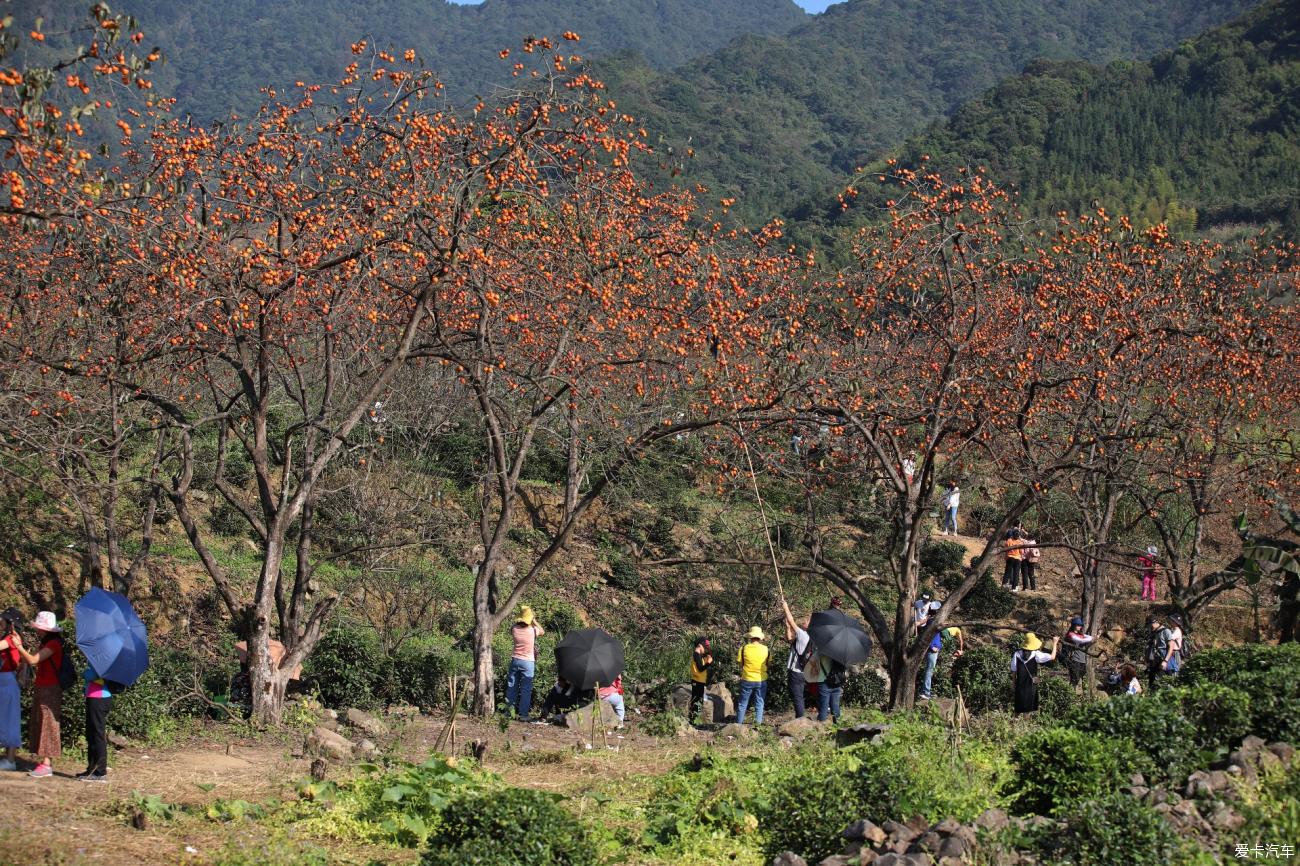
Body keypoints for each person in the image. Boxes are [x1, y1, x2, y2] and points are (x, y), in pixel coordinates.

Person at [13, 611, 64, 777]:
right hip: (43, 686)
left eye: (40, 628)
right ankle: (45, 761)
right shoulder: (46, 643)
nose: (38, 631)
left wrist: (19, 646)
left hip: (50, 687)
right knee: (41, 721)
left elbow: (34, 660)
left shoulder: (54, 644)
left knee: (48, 723)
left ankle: (47, 763)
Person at [504, 606, 544, 721]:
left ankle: (508, 712)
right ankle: (523, 714)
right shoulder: (532, 630)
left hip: (515, 659)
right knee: (526, 689)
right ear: (529, 619)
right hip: (528, 662)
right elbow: (542, 631)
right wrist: (534, 621)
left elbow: (513, 626)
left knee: (512, 686)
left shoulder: (514, 629)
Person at [1010, 632, 1058, 714]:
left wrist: (1013, 683)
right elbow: (1052, 657)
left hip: (1020, 684)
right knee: (1029, 706)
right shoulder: (1036, 654)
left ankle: (1016, 723)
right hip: (1031, 684)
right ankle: (1026, 723)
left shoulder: (1017, 654)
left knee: (1019, 706)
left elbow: (1014, 670)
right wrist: (1055, 643)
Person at [781, 599, 814, 719]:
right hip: (803, 671)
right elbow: (789, 640)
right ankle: (800, 718)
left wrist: (785, 607)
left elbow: (791, 619)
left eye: (806, 621)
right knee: (798, 696)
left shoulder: (803, 635)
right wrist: (787, 628)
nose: (804, 622)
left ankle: (800, 720)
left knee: (797, 697)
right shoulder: (809, 638)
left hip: (796, 672)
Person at [80, 665, 114, 781]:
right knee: (91, 734)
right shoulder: (98, 658)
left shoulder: (102, 660)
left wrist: (84, 673)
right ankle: (92, 769)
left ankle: (100, 772)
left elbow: (93, 675)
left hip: (99, 698)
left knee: (97, 734)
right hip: (95, 698)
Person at [0, 608, 23, 771]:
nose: (0, 622)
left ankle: (10, 760)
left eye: (2, 619)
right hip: (4, 681)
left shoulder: (11, 638)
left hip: (7, 681)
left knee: (10, 719)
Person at [735, 626, 769, 726]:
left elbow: (740, 664)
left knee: (742, 703)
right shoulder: (765, 649)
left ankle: (738, 726)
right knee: (759, 703)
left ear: (750, 637)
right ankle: (757, 726)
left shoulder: (743, 649)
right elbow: (768, 663)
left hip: (747, 679)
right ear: (760, 638)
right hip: (761, 679)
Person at [918, 601, 944, 700]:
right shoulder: (931, 622)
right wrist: (932, 646)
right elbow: (928, 636)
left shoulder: (932, 621)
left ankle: (926, 691)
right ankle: (925, 692)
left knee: (929, 671)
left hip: (935, 649)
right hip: (932, 650)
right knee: (929, 671)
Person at [1062, 616, 1096, 687]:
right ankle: (1070, 694)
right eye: (1078, 625)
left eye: (1080, 625)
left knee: (1079, 678)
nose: (1079, 627)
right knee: (1074, 679)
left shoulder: (1080, 635)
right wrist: (1087, 638)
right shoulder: (1070, 634)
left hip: (1082, 660)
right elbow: (1081, 640)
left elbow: (1090, 637)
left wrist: (1088, 638)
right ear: (1074, 625)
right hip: (1074, 659)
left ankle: (1073, 693)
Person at [1144, 614, 1174, 691]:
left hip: (1162, 660)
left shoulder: (1166, 631)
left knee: (1163, 684)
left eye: (1149, 625)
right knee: (1152, 684)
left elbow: (1171, 647)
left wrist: (1165, 661)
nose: (1148, 627)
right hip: (1153, 661)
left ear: (1154, 623)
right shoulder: (1153, 633)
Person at [688, 636, 713, 723]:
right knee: (696, 701)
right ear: (699, 645)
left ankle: (696, 720)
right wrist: (708, 663)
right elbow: (700, 668)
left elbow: (707, 654)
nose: (705, 649)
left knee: (699, 701)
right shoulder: (696, 655)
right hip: (696, 682)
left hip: (700, 682)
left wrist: (708, 655)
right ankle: (693, 721)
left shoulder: (700, 655)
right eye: (704, 647)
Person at [817, 654, 846, 723]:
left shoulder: (821, 652)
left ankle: (822, 724)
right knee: (835, 705)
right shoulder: (840, 653)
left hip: (823, 680)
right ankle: (838, 725)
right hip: (837, 681)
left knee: (824, 705)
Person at [1276, 573, 1298, 643]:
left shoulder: (1294, 581)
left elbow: (1289, 592)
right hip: (1290, 605)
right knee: (1287, 626)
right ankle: (1288, 641)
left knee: (1287, 625)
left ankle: (1285, 642)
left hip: (1291, 605)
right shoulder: (1292, 580)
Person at [1163, 612, 1185, 677]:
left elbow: (1169, 639)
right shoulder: (1173, 630)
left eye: (1172, 620)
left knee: (1174, 669)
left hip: (1175, 653)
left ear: (1175, 622)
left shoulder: (1177, 631)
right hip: (1172, 652)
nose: (1170, 622)